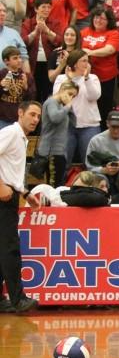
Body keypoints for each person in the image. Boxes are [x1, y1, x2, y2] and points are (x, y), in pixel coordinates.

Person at [0, 101, 41, 313]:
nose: (35, 119)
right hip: (3, 197)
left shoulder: (21, 138)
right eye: (32, 114)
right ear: (20, 113)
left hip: (11, 194)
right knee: (10, 248)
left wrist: (25, 192)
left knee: (2, 249)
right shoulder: (11, 133)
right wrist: (1, 186)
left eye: (38, 116)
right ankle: (18, 299)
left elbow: (10, 169)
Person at [38, 80, 77, 186]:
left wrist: (70, 107)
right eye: (69, 94)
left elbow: (74, 123)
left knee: (58, 184)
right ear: (62, 90)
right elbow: (55, 118)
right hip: (51, 151)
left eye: (73, 96)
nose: (71, 98)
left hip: (60, 150)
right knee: (53, 185)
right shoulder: (51, 102)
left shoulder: (62, 106)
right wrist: (67, 107)